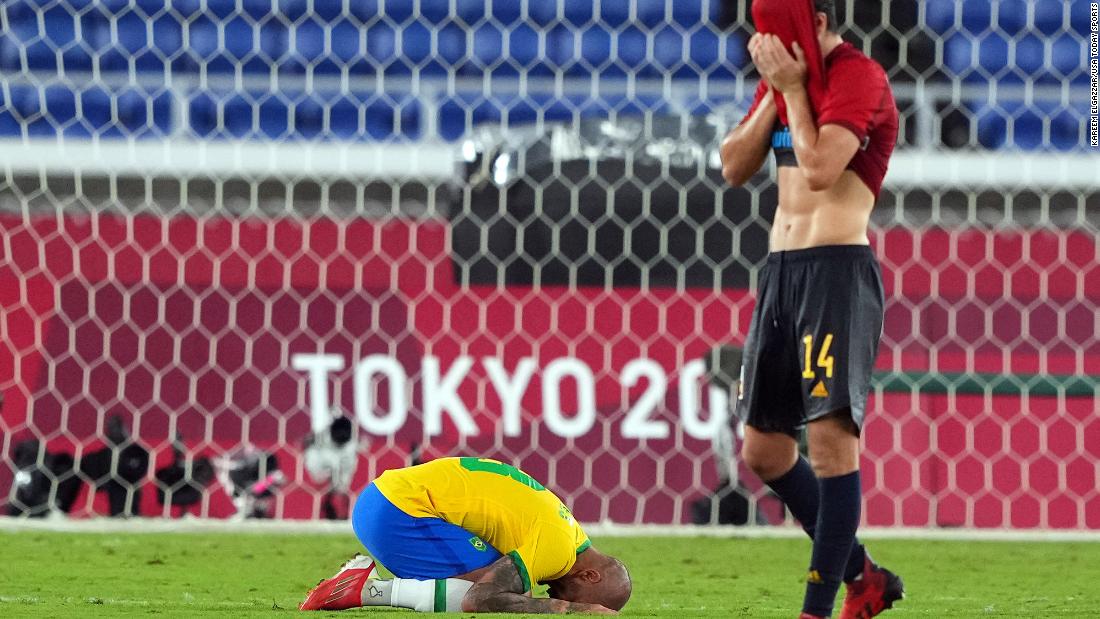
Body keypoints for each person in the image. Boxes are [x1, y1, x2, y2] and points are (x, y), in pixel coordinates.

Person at [720, 1, 904, 618]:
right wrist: (778, 90)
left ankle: (818, 610)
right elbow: (733, 166)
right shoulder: (781, 82)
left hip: (835, 270)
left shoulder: (859, 77)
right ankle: (864, 575)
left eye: (777, 32)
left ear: (819, 23)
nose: (765, 45)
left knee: (830, 446)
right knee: (763, 452)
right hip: (781, 272)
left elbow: (822, 167)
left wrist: (794, 89)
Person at [299, 457, 630, 614]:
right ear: (590, 575)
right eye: (576, 597)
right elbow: (478, 599)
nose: (561, 595)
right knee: (505, 598)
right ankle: (369, 590)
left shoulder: (567, 529)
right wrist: (569, 611)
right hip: (398, 512)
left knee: (515, 591)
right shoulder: (558, 549)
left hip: (384, 498)